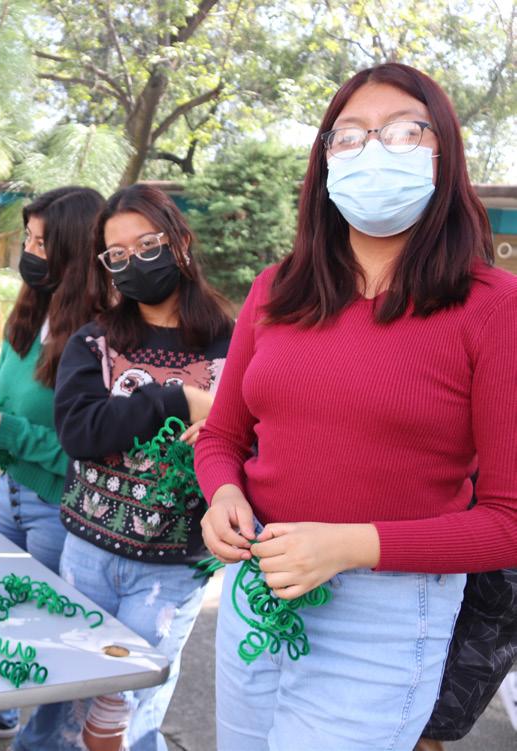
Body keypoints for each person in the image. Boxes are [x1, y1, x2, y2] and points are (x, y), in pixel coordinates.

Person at [196, 62, 517, 751]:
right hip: (256, 590)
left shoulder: (493, 307)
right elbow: (221, 436)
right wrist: (222, 493)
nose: (372, 150)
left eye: (403, 132)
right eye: (349, 136)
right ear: (324, 162)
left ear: (444, 156)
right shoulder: (276, 290)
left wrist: (349, 545)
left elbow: (507, 521)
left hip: (385, 614)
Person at [15, 183, 233, 751]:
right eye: (117, 254)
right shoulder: (95, 341)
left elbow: (251, 437)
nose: (133, 262)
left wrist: (217, 431)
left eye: (147, 245)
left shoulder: (232, 346)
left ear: (179, 241)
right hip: (88, 554)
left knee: (127, 718)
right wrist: (179, 401)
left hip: (173, 568)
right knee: (65, 704)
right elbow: (81, 432)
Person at [0, 185, 108, 738]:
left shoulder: (97, 339)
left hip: (57, 508)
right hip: (10, 492)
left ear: (74, 251)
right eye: (28, 239)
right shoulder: (29, 314)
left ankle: (38, 733)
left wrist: (14, 432)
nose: (29, 252)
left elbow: (94, 452)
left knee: (42, 628)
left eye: (42, 243)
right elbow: (2, 394)